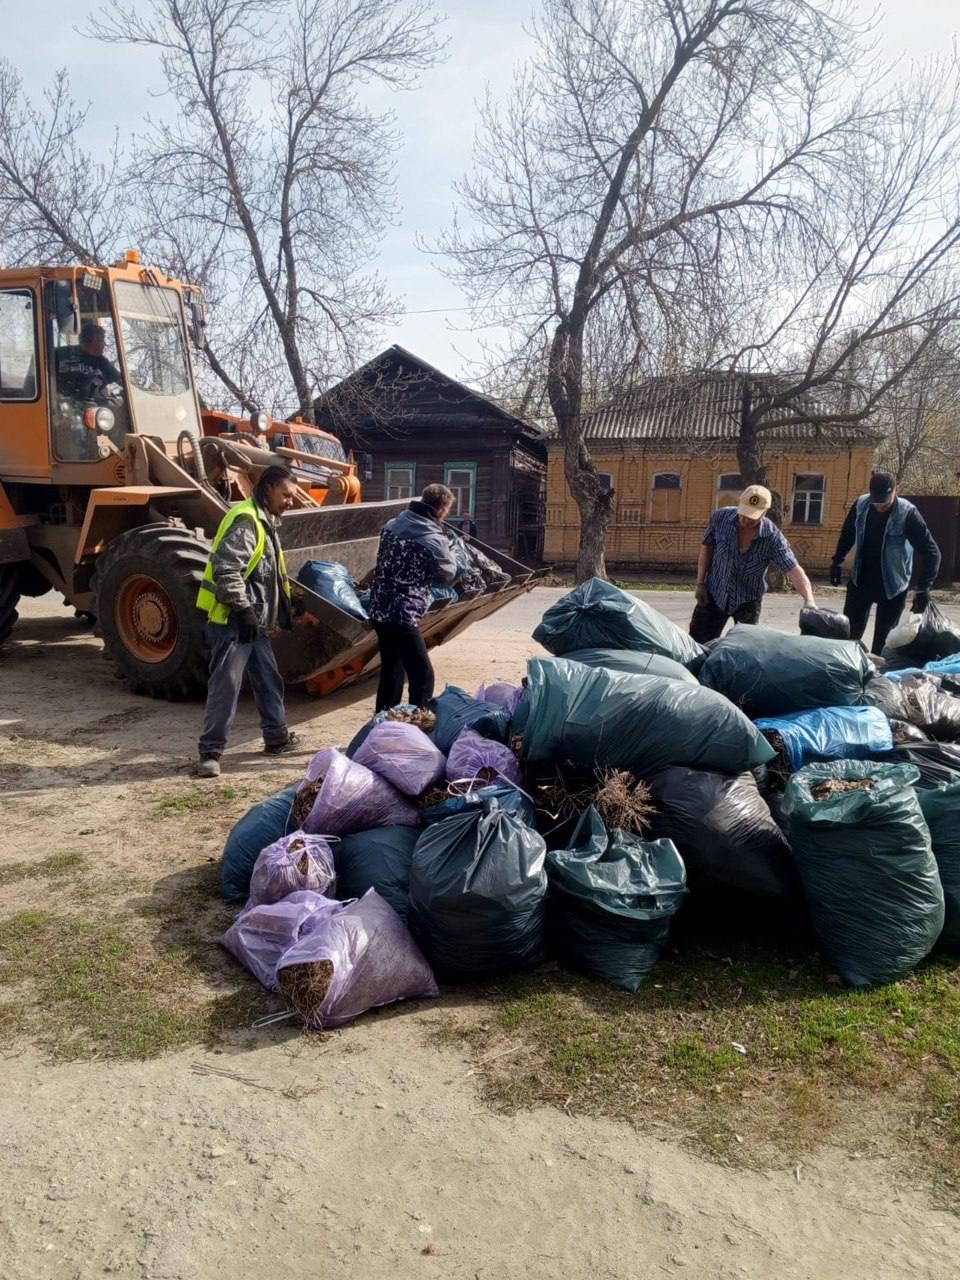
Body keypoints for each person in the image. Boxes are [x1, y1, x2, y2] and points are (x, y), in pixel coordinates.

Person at [194, 465, 303, 777]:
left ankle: (277, 738)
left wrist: (289, 598)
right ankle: (210, 753)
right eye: (286, 495)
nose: (290, 501)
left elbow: (267, 573)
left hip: (255, 621)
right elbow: (227, 570)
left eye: (292, 497)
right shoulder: (247, 521)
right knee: (225, 686)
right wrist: (242, 611)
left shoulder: (265, 521)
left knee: (268, 679)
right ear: (267, 488)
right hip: (233, 621)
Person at [368, 483, 459, 711]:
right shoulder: (433, 539)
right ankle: (417, 724)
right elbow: (449, 575)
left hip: (379, 607)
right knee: (422, 673)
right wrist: (453, 556)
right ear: (442, 511)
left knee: (392, 668)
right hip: (403, 613)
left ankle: (383, 723)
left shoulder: (391, 525)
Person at [830, 471, 941, 655]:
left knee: (883, 645)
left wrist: (923, 588)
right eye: (876, 501)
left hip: (893, 586)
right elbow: (847, 534)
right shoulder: (861, 505)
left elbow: (932, 552)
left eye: (885, 501)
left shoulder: (908, 514)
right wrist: (837, 561)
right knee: (849, 638)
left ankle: (877, 680)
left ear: (897, 490)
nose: (880, 506)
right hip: (861, 580)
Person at [690, 484, 817, 643]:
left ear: (765, 512)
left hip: (748, 600)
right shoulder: (720, 518)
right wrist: (700, 583)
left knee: (742, 651)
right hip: (714, 593)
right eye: (743, 513)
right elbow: (707, 547)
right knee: (697, 644)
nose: (745, 520)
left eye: (752, 516)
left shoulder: (773, 538)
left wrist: (809, 600)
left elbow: (793, 569)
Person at [56, 321, 122, 400]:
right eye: (102, 340)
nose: (105, 344)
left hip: (92, 407)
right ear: (92, 341)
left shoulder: (103, 363)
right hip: (60, 402)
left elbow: (122, 381)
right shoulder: (62, 353)